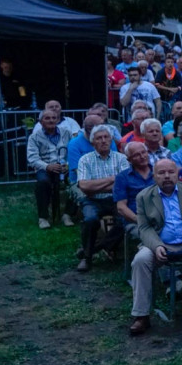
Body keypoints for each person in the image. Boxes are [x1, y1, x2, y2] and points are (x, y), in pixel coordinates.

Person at [128, 159, 182, 336]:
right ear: (154, 176)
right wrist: (156, 246)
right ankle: (141, 315)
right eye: (161, 173)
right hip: (160, 244)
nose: (166, 176)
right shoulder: (144, 196)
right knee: (141, 260)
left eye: (170, 172)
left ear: (177, 174)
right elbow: (144, 228)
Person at [76, 125, 129, 271]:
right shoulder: (85, 160)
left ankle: (92, 250)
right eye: (99, 138)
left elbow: (124, 185)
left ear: (111, 140)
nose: (103, 141)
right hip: (92, 199)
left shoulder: (122, 158)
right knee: (90, 220)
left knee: (125, 220)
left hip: (117, 199)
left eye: (106, 137)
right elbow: (84, 186)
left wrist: (95, 185)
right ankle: (88, 259)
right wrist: (113, 179)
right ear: (93, 142)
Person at [27, 108, 73, 229]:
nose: (51, 120)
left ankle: (67, 214)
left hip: (64, 166)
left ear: (58, 120)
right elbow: (32, 158)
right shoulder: (34, 137)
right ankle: (43, 217)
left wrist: (68, 164)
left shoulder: (66, 132)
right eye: (47, 118)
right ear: (40, 121)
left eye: (54, 118)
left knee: (77, 180)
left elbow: (73, 151)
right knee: (43, 183)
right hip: (45, 167)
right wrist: (47, 166)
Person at [113, 142, 155, 234]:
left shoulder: (158, 172)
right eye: (136, 155)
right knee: (149, 235)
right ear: (129, 160)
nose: (142, 156)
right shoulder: (122, 177)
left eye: (143, 152)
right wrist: (140, 221)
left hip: (160, 218)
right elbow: (121, 207)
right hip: (135, 221)